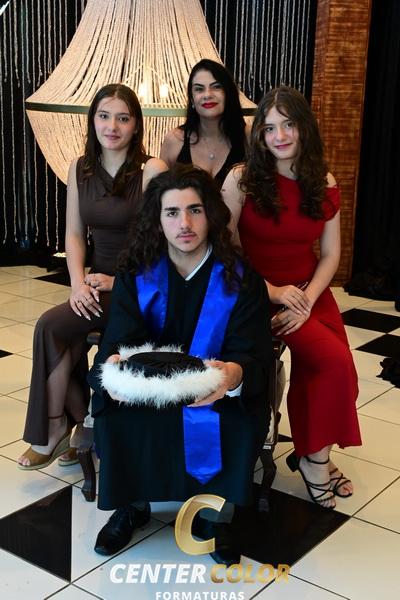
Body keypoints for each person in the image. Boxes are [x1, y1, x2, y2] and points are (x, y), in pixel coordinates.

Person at [87, 165, 271, 564]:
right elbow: (117, 340)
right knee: (115, 411)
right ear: (157, 219)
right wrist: (113, 369)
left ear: (212, 215)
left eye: (195, 210)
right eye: (172, 212)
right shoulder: (136, 273)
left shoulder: (241, 280)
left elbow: (252, 353)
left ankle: (214, 515)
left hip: (214, 388)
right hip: (148, 386)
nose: (184, 224)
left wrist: (234, 375)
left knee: (237, 413)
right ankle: (132, 504)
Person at [222, 86, 362, 509]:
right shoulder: (242, 179)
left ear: (304, 127)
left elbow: (331, 254)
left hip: (308, 292)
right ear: (259, 135)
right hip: (256, 293)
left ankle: (312, 452)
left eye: (288, 124)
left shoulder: (324, 180)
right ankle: (315, 461)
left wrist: (306, 298)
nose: (279, 136)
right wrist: (273, 292)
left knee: (339, 370)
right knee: (333, 362)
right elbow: (224, 252)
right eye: (269, 128)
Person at [18, 83, 167, 470]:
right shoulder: (79, 167)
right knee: (54, 329)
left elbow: (162, 245)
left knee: (60, 333)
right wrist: (78, 283)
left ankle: (69, 427)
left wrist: (119, 282)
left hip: (139, 289)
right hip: (95, 286)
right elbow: (73, 233)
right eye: (104, 116)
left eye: (123, 118)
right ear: (92, 120)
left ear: (136, 125)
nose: (112, 126)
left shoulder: (152, 170)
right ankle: (62, 426)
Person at [160, 59, 249, 188]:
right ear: (191, 99)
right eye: (199, 89)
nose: (207, 95)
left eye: (216, 87)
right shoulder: (174, 140)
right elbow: (158, 194)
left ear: (228, 93)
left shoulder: (249, 137)